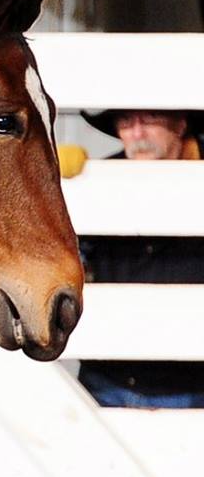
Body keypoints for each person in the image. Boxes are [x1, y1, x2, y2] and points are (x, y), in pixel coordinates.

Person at [76, 106, 204, 409]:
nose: (136, 134)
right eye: (125, 122)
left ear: (180, 122)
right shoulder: (97, 183)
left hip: (192, 382)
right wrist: (69, 185)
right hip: (109, 379)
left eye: (148, 120)